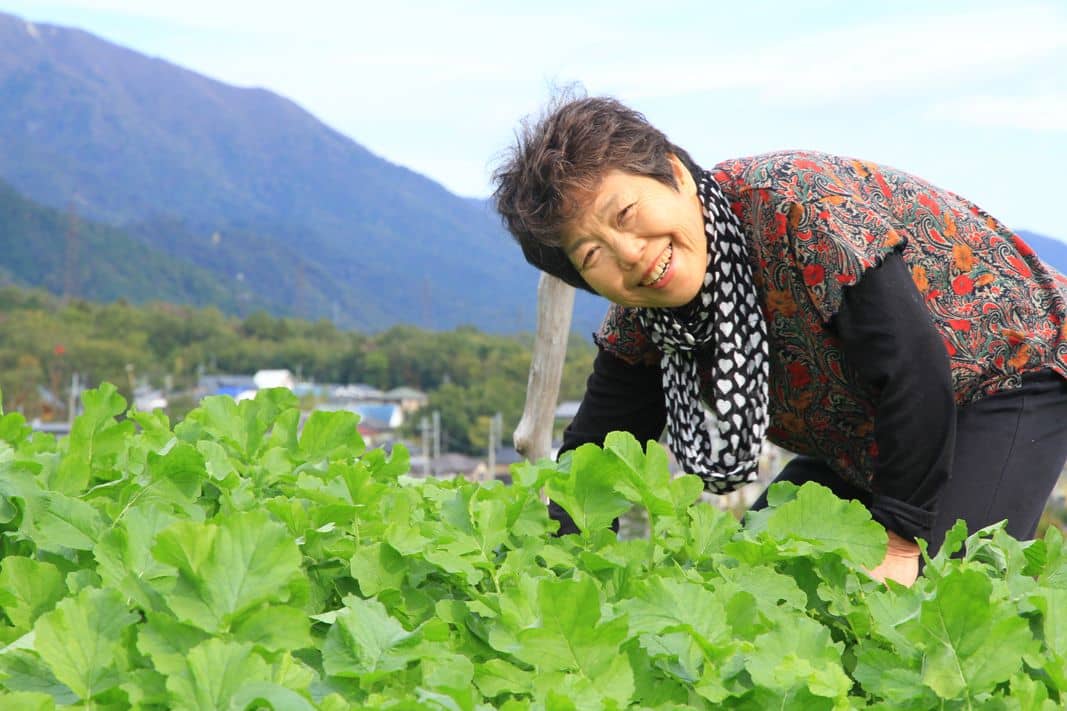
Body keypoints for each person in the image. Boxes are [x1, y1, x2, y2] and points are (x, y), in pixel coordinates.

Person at [492, 95, 1067, 586]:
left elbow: (914, 375)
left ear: (675, 173)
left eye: (627, 214)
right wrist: (562, 578)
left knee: (942, 596)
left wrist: (897, 541)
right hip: (868, 438)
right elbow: (594, 455)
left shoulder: (796, 210)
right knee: (758, 578)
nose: (632, 253)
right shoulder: (647, 317)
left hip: (1009, 374)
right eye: (593, 254)